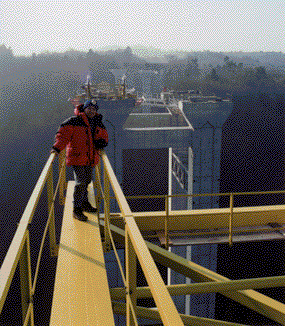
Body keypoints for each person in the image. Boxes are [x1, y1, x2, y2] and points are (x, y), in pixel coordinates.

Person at [51, 99, 108, 221]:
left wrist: (103, 142)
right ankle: (77, 210)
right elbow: (63, 136)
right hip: (78, 157)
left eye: (94, 109)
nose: (91, 111)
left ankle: (85, 203)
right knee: (80, 182)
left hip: (91, 158)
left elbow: (104, 135)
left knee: (87, 181)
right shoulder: (74, 121)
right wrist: (56, 148)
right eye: (89, 108)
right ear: (84, 109)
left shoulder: (97, 122)